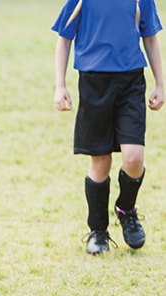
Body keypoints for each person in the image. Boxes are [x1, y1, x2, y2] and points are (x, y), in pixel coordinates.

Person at [52, 0, 163, 255]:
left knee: (134, 158)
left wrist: (160, 82)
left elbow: (150, 38)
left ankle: (126, 210)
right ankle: (98, 231)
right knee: (100, 162)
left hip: (132, 81)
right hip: (93, 82)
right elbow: (64, 38)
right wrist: (60, 85)